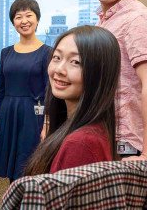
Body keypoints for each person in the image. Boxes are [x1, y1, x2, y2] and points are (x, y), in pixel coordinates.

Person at [24, 25, 120, 175]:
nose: (59, 70)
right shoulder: (81, 127)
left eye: (75, 62)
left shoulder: (81, 144)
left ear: (99, 73)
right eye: (57, 57)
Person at [87, 0, 147, 160]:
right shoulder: (107, 21)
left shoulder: (136, 19)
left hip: (127, 142)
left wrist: (146, 156)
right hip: (105, 133)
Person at [0, 0, 51, 182]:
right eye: (18, 17)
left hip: (33, 115)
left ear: (37, 19)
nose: (24, 21)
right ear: (13, 22)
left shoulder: (47, 52)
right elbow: (0, 87)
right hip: (9, 113)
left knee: (29, 164)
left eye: (28, 15)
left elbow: (50, 91)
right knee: (12, 167)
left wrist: (47, 124)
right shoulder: (6, 52)